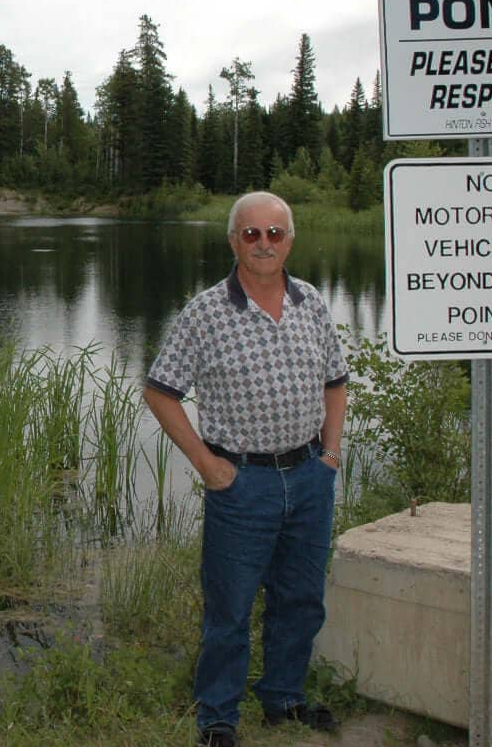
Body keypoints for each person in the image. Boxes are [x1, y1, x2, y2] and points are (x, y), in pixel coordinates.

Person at [143, 191, 349, 747]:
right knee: (230, 608)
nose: (264, 244)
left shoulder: (310, 301)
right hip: (241, 484)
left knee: (301, 598)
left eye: (274, 234)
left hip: (309, 476)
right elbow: (160, 392)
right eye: (252, 234)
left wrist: (330, 454)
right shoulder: (206, 313)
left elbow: (336, 381)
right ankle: (218, 717)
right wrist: (207, 465)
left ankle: (283, 697)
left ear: (290, 241)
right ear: (233, 240)